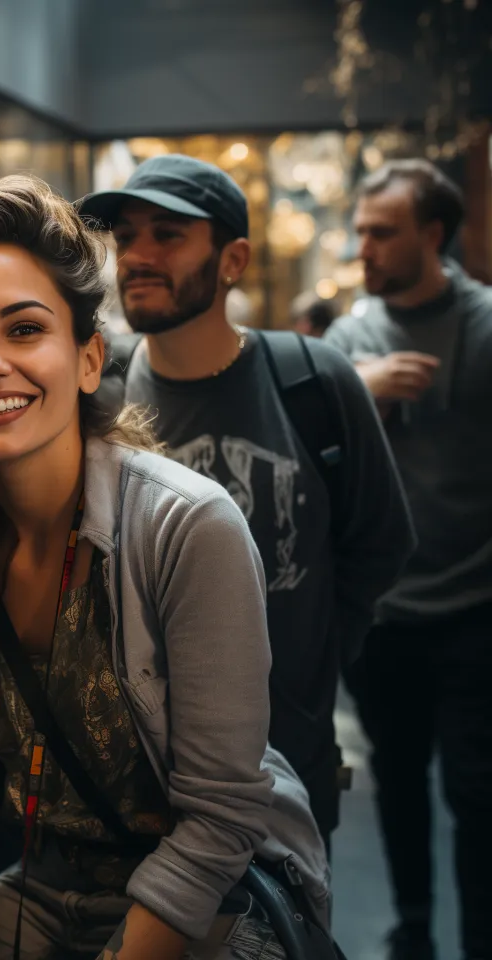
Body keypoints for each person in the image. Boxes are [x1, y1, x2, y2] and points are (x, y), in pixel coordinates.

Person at [0, 176, 331, 960]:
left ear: (88, 359)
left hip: (214, 896)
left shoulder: (187, 525)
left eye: (24, 330)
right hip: (48, 891)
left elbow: (222, 819)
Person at [77, 154, 414, 850]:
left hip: (287, 769)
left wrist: (313, 662)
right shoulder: (98, 403)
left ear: (233, 260)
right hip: (139, 784)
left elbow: (381, 541)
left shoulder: (315, 382)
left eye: (167, 235)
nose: (137, 255)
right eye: (126, 234)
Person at [325, 159, 492, 960]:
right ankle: (415, 929)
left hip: (477, 606)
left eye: (382, 232)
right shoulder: (354, 334)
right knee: (396, 780)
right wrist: (364, 385)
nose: (364, 247)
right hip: (387, 612)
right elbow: (308, 412)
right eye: (360, 232)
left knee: (477, 791)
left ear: (433, 235)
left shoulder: (486, 326)